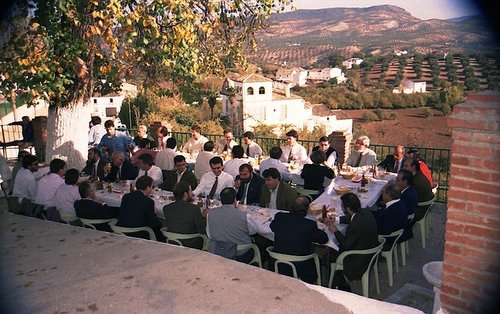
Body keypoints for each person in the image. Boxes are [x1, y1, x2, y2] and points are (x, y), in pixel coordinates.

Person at [323, 193, 379, 290]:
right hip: (370, 250)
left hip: (359, 260)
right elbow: (351, 219)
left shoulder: (355, 225)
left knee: (328, 254)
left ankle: (337, 284)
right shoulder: (365, 212)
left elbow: (345, 245)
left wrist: (335, 231)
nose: (341, 208)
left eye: (342, 206)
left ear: (348, 209)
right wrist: (336, 219)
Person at [270, 196, 328, 284]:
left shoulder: (280, 217)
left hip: (278, 262)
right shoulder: (309, 224)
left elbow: (272, 226)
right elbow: (324, 239)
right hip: (301, 265)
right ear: (307, 209)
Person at [206, 187, 258, 263]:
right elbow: (254, 231)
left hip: (218, 251)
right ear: (235, 200)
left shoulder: (210, 214)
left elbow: (210, 235)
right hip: (240, 253)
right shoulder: (244, 215)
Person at [116, 175, 165, 241]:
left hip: (121, 229)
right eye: (151, 187)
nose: (151, 189)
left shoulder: (126, 197)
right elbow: (153, 223)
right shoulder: (148, 201)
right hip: (137, 232)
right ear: (148, 187)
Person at [163, 181, 208, 249]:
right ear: (185, 194)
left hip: (172, 240)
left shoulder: (166, 208)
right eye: (190, 191)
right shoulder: (194, 209)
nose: (191, 194)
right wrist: (203, 217)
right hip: (191, 243)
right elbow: (202, 230)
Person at [375, 184, 408, 249]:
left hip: (388, 240)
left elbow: (384, 230)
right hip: (395, 231)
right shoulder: (399, 203)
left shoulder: (391, 211)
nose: (382, 196)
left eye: (383, 193)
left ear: (388, 195)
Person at [395, 169, 418, 243]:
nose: (395, 182)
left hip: (401, 230)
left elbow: (396, 213)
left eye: (398, 180)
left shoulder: (407, 196)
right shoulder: (410, 190)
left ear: (405, 182)